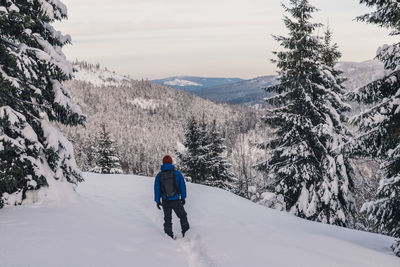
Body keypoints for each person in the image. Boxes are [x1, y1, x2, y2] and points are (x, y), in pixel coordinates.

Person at [154, 155, 190, 238]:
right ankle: (186, 233)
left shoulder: (159, 175)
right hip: (176, 200)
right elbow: (182, 187)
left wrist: (157, 201)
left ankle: (168, 236)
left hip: (165, 200)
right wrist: (183, 198)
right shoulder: (177, 174)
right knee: (182, 216)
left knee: (167, 219)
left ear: (163, 163)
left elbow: (157, 189)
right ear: (171, 162)